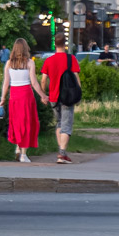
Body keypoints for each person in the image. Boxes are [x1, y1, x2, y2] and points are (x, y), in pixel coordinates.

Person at [0, 38, 50, 164]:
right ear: (26, 48)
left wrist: (2, 99)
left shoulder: (9, 63)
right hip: (26, 95)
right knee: (26, 123)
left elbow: (6, 83)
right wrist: (43, 96)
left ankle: (17, 148)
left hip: (14, 95)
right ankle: (23, 154)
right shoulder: (29, 63)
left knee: (16, 123)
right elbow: (34, 82)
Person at [40, 33, 82, 164]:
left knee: (59, 123)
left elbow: (43, 80)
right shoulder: (71, 59)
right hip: (67, 96)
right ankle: (62, 154)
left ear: (55, 44)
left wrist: (43, 95)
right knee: (66, 125)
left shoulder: (49, 60)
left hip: (53, 97)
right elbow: (76, 78)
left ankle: (61, 151)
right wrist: (78, 94)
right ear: (65, 44)